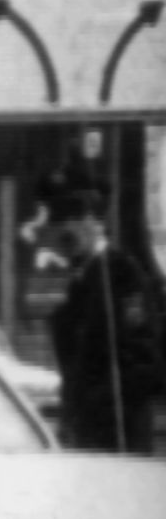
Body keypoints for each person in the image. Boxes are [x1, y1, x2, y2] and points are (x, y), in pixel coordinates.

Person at [45, 177, 161, 457]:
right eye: (61, 224)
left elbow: (146, 359)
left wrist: (103, 400)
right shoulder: (78, 282)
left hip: (119, 433)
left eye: (75, 220)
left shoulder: (121, 275)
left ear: (93, 223)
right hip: (85, 432)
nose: (67, 232)